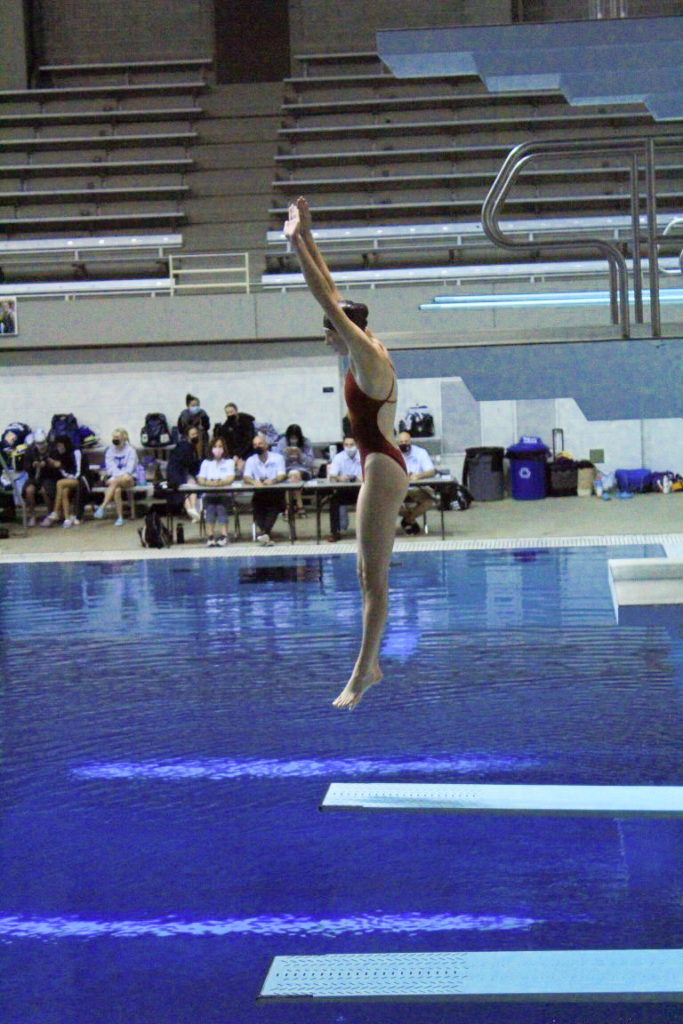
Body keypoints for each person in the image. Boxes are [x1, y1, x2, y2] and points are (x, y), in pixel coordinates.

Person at [285, 196, 408, 710]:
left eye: (328, 334)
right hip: (377, 465)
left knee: (373, 581)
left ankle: (365, 670)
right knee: (364, 575)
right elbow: (335, 292)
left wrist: (294, 247)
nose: (326, 341)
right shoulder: (367, 343)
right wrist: (308, 234)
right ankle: (366, 664)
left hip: (381, 469)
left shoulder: (365, 357)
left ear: (343, 331)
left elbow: (324, 298)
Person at [242, 433, 286, 545]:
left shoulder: (278, 458)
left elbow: (282, 475)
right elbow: (246, 477)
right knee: (257, 505)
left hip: (275, 492)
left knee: (273, 504)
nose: (258, 446)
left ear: (266, 445)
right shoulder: (250, 460)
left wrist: (273, 480)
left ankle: (265, 533)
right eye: (255, 445)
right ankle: (266, 534)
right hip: (260, 492)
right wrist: (254, 482)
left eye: (260, 444)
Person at [93, 428, 138, 526]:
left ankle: (102, 506)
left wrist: (119, 477)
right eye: (113, 437)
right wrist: (117, 477)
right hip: (116, 478)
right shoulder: (110, 450)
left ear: (123, 438)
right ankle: (120, 517)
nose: (115, 439)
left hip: (129, 478)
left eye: (117, 437)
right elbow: (110, 468)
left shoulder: (131, 450)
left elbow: (130, 468)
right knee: (116, 490)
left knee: (121, 480)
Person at [197, 436, 235, 547]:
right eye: (215, 446)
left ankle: (224, 536)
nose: (217, 449)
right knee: (210, 508)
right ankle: (210, 537)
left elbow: (230, 478)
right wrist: (209, 483)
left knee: (220, 507)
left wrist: (221, 483)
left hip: (224, 494)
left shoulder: (229, 462)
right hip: (209, 494)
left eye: (220, 446)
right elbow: (201, 479)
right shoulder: (206, 463)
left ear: (224, 448)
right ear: (211, 448)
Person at [397, 430, 437, 534]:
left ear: (410, 441)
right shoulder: (393, 453)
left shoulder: (420, 453)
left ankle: (408, 520)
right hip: (397, 489)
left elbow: (431, 471)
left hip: (415, 488)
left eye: (406, 441)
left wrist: (418, 476)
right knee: (388, 503)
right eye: (401, 442)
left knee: (429, 501)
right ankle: (410, 520)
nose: (404, 444)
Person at [326, 435, 362, 541]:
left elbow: (371, 474)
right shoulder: (338, 457)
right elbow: (332, 475)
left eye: (351, 445)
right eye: (346, 445)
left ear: (357, 445)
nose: (349, 447)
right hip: (344, 490)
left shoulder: (364, 456)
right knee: (333, 501)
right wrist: (339, 477)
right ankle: (335, 532)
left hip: (361, 491)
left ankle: (369, 532)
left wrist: (360, 478)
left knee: (372, 502)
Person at [275, 422, 315, 516]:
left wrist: (300, 454)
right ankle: (300, 506)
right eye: (291, 438)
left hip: (303, 470)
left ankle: (289, 508)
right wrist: (286, 455)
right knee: (293, 476)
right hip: (287, 470)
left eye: (295, 438)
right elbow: (277, 462)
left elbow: (310, 463)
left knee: (293, 476)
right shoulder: (282, 443)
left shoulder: (306, 442)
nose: (293, 440)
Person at [165, 426, 202, 522]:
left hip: (184, 473)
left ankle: (193, 509)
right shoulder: (183, 447)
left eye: (196, 434)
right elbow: (183, 464)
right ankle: (190, 509)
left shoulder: (193, 447)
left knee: (193, 483)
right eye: (193, 434)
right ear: (187, 436)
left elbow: (193, 466)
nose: (195, 436)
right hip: (175, 474)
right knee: (183, 490)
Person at [21, 429, 51, 526]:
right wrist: (32, 465)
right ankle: (32, 515)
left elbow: (55, 467)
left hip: (48, 477)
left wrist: (46, 465)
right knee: (29, 490)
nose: (40, 445)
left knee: (45, 490)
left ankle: (49, 513)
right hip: (34, 477)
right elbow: (26, 467)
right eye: (38, 443)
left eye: (42, 443)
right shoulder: (30, 451)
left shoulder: (51, 449)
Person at [214, 402, 255, 470]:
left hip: (247, 453)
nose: (230, 414)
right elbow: (226, 443)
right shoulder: (226, 426)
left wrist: (240, 456)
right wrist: (233, 456)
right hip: (233, 456)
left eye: (231, 412)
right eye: (227, 413)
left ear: (236, 411)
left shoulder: (246, 422)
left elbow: (249, 441)